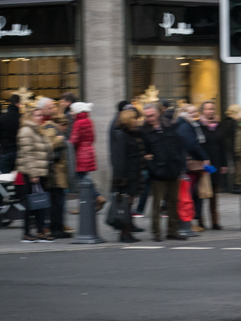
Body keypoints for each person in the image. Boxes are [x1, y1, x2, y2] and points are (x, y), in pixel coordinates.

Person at [141, 103, 187, 241]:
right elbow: (145, 153)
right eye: (147, 116)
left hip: (172, 169)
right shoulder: (144, 131)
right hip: (158, 172)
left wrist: (180, 165)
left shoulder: (169, 126)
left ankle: (172, 230)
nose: (149, 118)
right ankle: (156, 232)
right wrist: (152, 167)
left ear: (157, 113)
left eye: (152, 115)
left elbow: (178, 146)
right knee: (157, 204)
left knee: (173, 202)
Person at [16, 107, 55, 243]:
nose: (40, 118)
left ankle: (40, 232)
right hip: (32, 172)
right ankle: (27, 233)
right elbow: (27, 154)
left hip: (41, 171)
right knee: (31, 203)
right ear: (29, 117)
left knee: (40, 203)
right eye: (37, 115)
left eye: (40, 115)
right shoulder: (26, 131)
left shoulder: (38, 130)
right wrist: (33, 173)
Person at [173, 104, 210, 232]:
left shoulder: (189, 124)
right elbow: (192, 144)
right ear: (184, 113)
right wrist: (204, 156)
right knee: (188, 194)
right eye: (191, 112)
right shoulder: (185, 125)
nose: (194, 114)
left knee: (190, 194)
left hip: (190, 164)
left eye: (195, 111)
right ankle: (187, 223)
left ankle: (189, 222)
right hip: (190, 165)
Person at [38, 98, 71, 239]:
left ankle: (57, 227)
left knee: (58, 201)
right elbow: (48, 146)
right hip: (54, 172)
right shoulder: (50, 128)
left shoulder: (51, 127)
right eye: (50, 107)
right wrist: (59, 139)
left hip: (57, 172)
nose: (53, 110)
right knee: (56, 202)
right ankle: (55, 228)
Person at [111, 108, 146, 243]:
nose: (136, 121)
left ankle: (127, 232)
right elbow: (119, 159)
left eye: (136, 118)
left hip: (134, 175)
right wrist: (119, 180)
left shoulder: (133, 134)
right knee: (125, 206)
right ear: (126, 120)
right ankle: (124, 233)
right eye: (133, 118)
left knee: (129, 205)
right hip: (126, 178)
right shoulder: (121, 135)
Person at [69, 102, 107, 211]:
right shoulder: (89, 121)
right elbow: (93, 137)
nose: (71, 113)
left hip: (81, 153)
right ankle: (89, 202)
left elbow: (74, 139)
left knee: (82, 180)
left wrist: (67, 143)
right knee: (85, 178)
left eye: (72, 110)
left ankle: (97, 197)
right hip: (89, 151)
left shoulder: (78, 123)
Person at [198, 100, 228, 229]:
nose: (210, 111)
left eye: (212, 109)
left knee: (214, 195)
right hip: (203, 164)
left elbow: (223, 146)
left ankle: (215, 221)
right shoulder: (198, 126)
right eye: (208, 109)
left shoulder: (218, 125)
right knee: (202, 193)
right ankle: (200, 221)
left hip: (216, 163)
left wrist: (224, 164)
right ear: (203, 111)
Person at [222, 104, 241, 194]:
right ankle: (236, 187)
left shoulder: (225, 121)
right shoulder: (233, 123)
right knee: (237, 168)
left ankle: (230, 187)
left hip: (227, 147)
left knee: (232, 168)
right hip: (233, 147)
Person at [0, 94, 21, 173]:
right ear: (18, 103)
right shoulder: (21, 117)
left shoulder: (2, 117)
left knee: (5, 178)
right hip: (18, 151)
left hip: (5, 151)